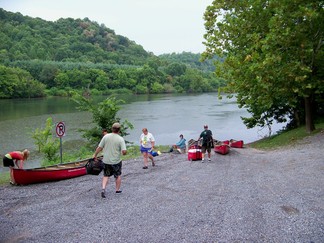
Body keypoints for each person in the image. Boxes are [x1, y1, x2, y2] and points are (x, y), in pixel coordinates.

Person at [93, 123, 127, 199]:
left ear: (112, 129)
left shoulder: (106, 137)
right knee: (117, 175)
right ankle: (117, 190)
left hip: (106, 160)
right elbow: (124, 151)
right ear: (119, 130)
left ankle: (103, 188)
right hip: (116, 161)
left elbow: (99, 147)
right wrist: (123, 153)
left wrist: (95, 155)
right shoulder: (120, 139)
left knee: (106, 175)